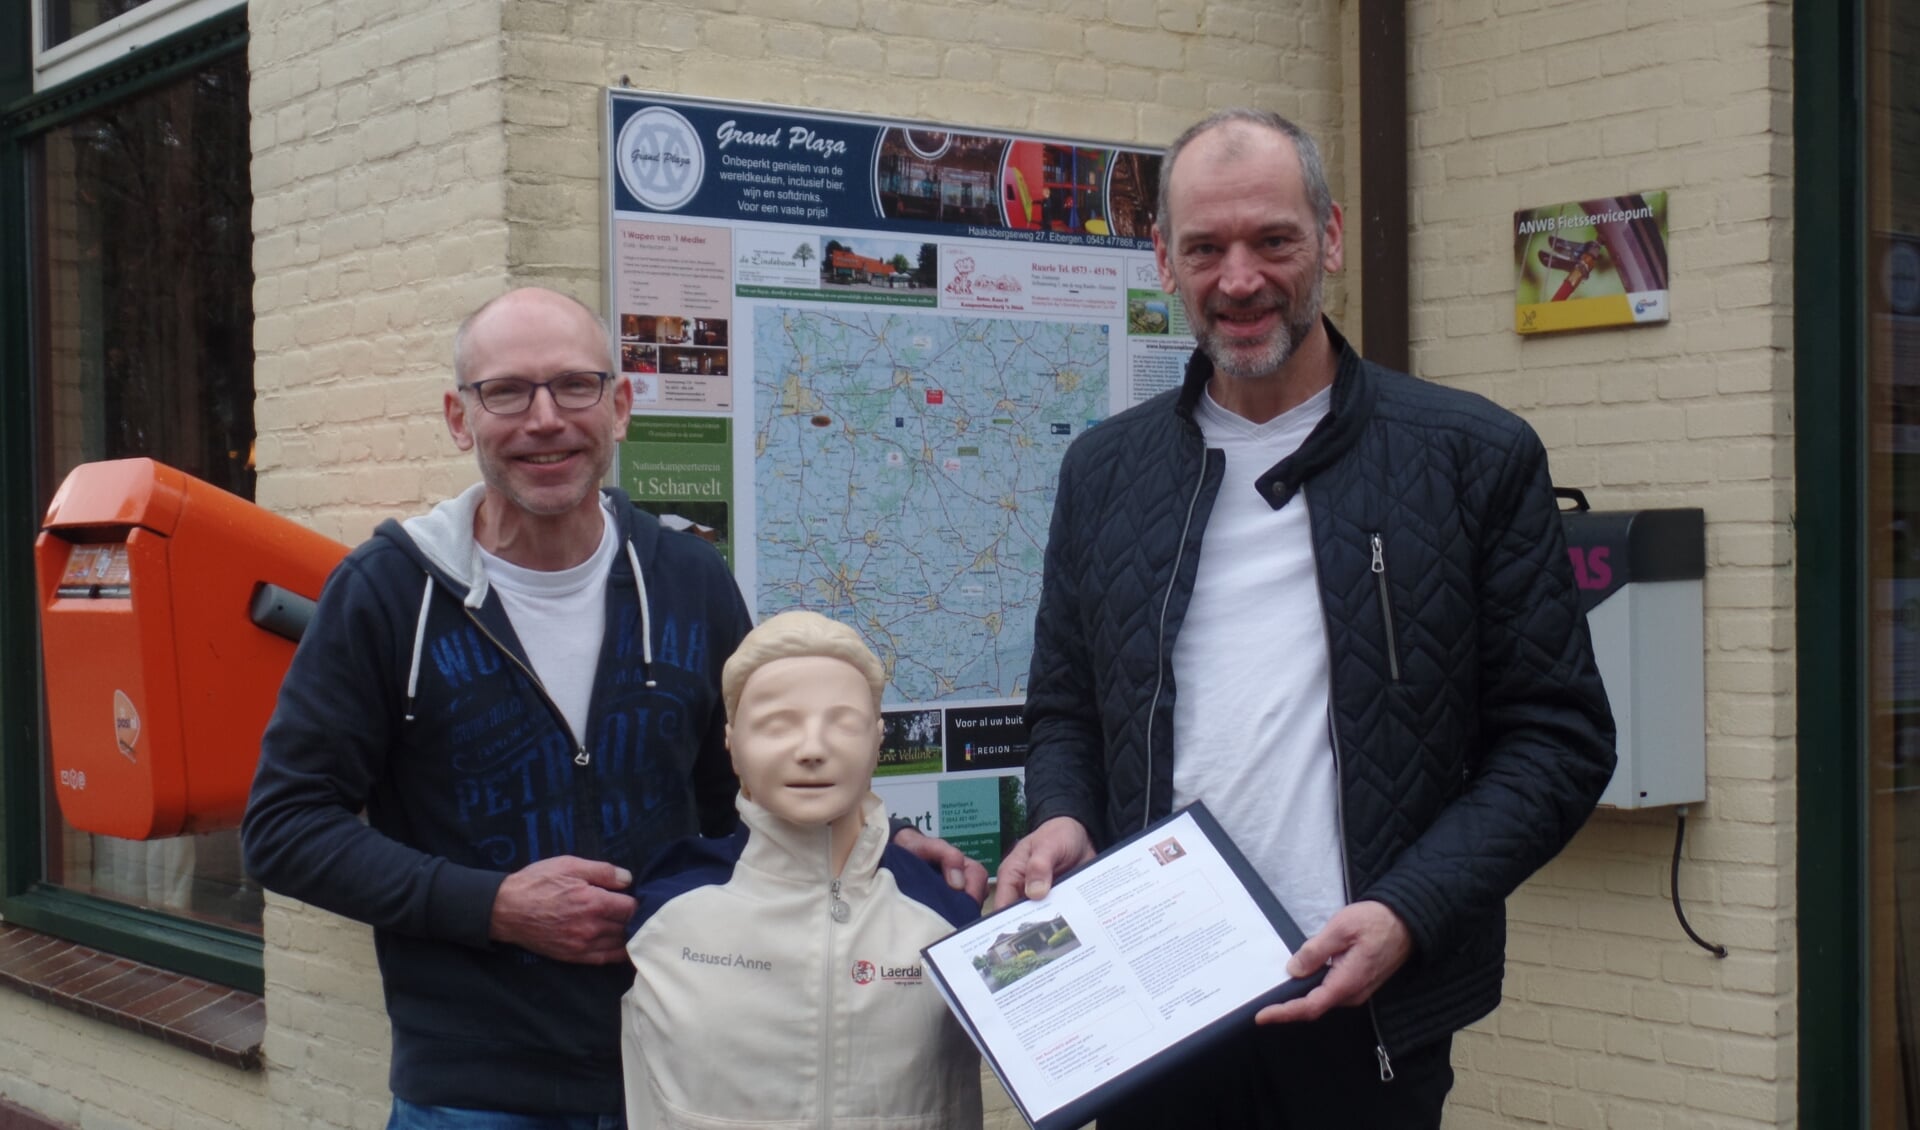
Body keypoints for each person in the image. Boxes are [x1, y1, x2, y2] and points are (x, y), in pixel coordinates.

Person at [994, 110, 1617, 1128]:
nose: (1239, 278)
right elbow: (1066, 706)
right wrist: (1064, 811)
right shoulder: (1104, 471)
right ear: (1164, 259)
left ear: (1328, 239)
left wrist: (1408, 910)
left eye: (1272, 240)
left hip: (1360, 994)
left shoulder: (1472, 457)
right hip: (1158, 1002)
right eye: (1205, 247)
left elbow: (1559, 738)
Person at [242, 288, 985, 1129]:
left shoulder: (689, 581)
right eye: (508, 391)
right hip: (476, 1092)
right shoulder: (386, 594)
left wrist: (874, 850)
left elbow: (743, 797)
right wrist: (492, 907)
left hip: (679, 1067)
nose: (546, 418)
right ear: (460, 418)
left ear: (620, 405)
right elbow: (285, 827)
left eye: (575, 386)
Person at [619, 610, 982, 1129]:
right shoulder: (666, 911)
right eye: (776, 725)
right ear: (731, 743)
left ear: (879, 740)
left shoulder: (943, 916)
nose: (812, 750)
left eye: (843, 723)